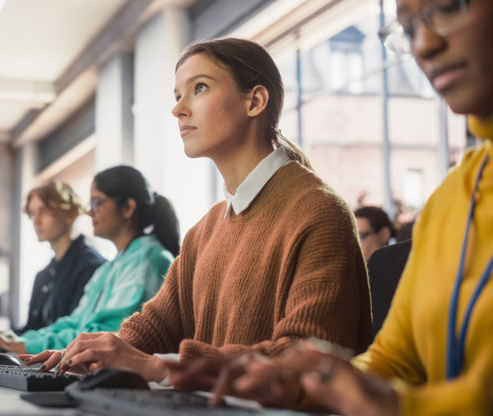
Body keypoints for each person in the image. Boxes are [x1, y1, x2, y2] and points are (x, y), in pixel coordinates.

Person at [182, 0, 493, 414]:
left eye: (449, 7)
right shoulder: (455, 196)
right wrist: (304, 381)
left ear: (256, 101)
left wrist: (393, 404)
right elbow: (391, 360)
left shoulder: (316, 210)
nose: (425, 45)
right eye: (408, 27)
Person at [22, 38, 372, 383]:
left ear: (255, 101)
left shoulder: (318, 212)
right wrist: (91, 352)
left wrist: (164, 367)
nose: (178, 109)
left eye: (199, 88)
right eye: (177, 96)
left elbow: (308, 360)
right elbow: (156, 325)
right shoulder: (205, 230)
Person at [0, 165, 178, 354]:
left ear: (127, 208)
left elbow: (108, 333)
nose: (89, 212)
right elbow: (75, 323)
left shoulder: (146, 260)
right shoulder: (110, 268)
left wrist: (27, 345)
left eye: (96, 203)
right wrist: (22, 341)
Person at [0, 182, 105, 340]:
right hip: (40, 362)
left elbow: (75, 334)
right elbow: (30, 333)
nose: (35, 221)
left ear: (71, 214)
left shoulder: (94, 269)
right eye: (32, 214)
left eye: (44, 212)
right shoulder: (43, 276)